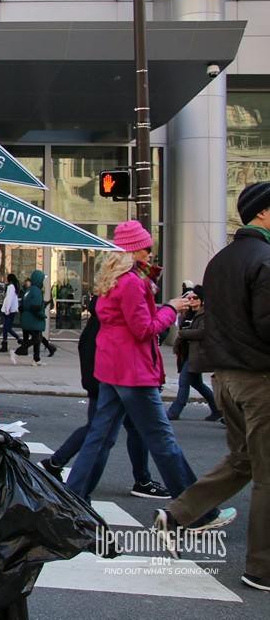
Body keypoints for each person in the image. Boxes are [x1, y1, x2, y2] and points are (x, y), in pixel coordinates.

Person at [65, 220, 235, 531]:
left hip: (112, 368)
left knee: (99, 437)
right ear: (134, 250)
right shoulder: (131, 282)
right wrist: (171, 309)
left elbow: (129, 320)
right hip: (133, 371)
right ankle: (195, 512)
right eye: (146, 247)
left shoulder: (115, 280)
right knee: (162, 441)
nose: (150, 252)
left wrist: (159, 302)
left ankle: (73, 498)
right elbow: (144, 329)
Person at [155, 182, 270, 591]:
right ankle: (260, 568)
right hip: (260, 380)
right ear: (261, 213)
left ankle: (179, 513)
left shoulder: (220, 260)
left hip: (225, 379)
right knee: (266, 475)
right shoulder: (265, 260)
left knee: (242, 461)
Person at [39, 295, 170, 500]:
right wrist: (169, 310)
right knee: (101, 435)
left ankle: (60, 468)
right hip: (113, 384)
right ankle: (69, 479)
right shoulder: (111, 318)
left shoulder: (103, 317)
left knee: (107, 432)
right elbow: (142, 333)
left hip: (111, 383)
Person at [166, 285, 220, 421]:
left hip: (198, 354)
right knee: (197, 384)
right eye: (190, 298)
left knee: (184, 381)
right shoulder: (188, 314)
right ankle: (217, 409)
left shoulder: (205, 314)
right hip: (187, 353)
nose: (192, 300)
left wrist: (183, 334)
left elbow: (203, 331)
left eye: (195, 298)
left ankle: (175, 411)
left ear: (202, 300)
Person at [10, 270, 51, 366]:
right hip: (34, 319)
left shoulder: (29, 290)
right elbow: (35, 307)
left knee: (38, 338)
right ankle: (16, 352)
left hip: (27, 318)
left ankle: (36, 359)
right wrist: (42, 315)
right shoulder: (37, 291)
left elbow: (25, 304)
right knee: (36, 338)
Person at [0, 273, 22, 352]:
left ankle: (16, 340)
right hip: (11, 309)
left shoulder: (10, 287)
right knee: (6, 328)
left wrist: (7, 309)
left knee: (6, 328)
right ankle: (16, 340)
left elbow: (9, 298)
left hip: (9, 310)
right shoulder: (14, 286)